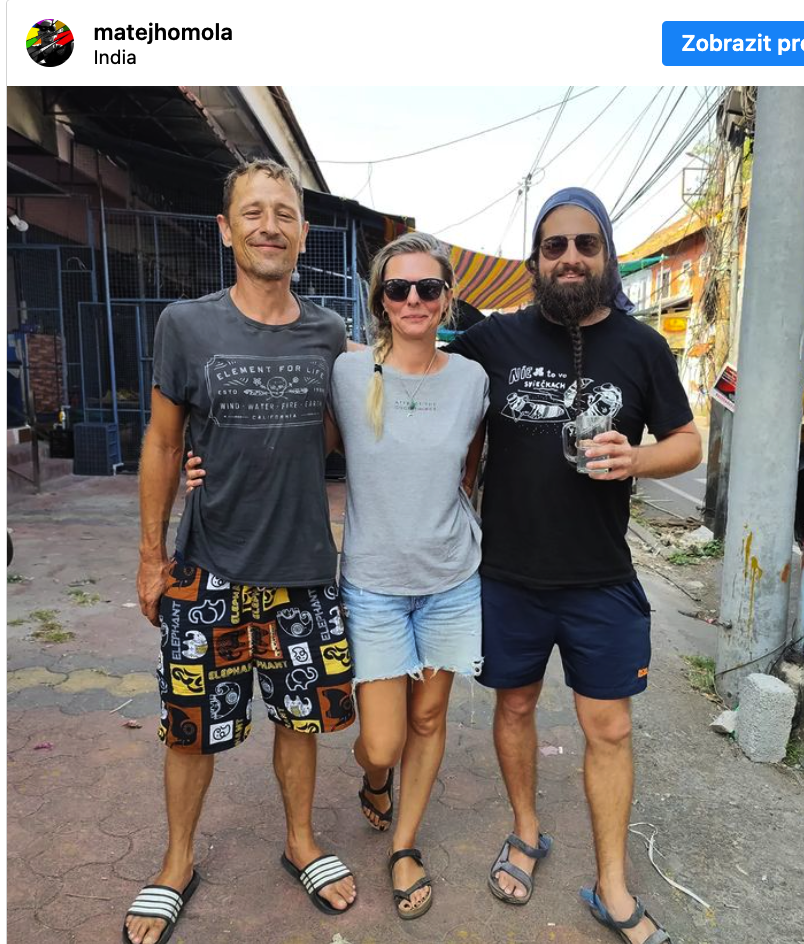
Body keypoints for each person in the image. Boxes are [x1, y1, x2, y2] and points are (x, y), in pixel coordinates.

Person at [187, 232, 489, 921]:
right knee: (381, 742)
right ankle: (376, 781)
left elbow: (470, 466)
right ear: (380, 300)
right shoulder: (349, 373)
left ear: (446, 298)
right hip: (374, 585)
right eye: (398, 288)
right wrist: (203, 460)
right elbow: (289, 433)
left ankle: (404, 846)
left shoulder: (472, 379)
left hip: (451, 579)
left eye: (428, 288)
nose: (413, 300)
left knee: (430, 716)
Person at [445, 187, 701, 944]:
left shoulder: (642, 346)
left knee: (609, 728)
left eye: (586, 244)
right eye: (554, 245)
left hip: (601, 578)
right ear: (536, 259)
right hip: (509, 575)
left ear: (606, 256)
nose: (570, 258)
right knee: (515, 707)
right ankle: (527, 831)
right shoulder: (495, 340)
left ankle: (611, 884)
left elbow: (688, 442)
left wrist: (638, 458)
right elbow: (420, 371)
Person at [129, 160, 357, 944]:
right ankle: (175, 862)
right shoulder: (185, 326)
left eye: (284, 213)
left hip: (303, 569)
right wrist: (151, 557)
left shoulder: (330, 334)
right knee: (189, 726)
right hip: (208, 568)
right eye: (253, 212)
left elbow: (351, 431)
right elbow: (163, 444)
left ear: (303, 233)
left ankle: (301, 842)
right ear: (226, 230)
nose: (270, 225)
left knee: (301, 720)